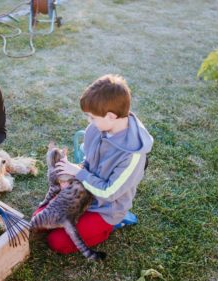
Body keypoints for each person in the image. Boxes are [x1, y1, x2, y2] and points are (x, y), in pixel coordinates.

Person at [34, 74, 153, 255]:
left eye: (92, 117)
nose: (89, 122)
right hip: (82, 195)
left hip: (106, 207)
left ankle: (111, 226)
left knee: (57, 242)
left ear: (111, 116)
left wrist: (79, 173)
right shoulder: (96, 129)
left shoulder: (133, 156)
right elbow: (87, 162)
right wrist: (72, 174)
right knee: (38, 219)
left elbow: (109, 192)